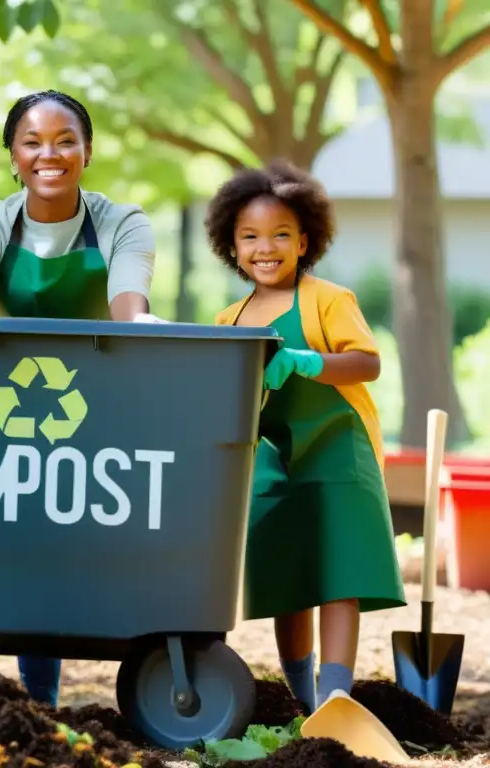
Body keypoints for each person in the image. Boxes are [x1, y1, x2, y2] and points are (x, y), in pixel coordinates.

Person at [0, 90, 158, 707]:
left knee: (75, 536)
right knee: (26, 533)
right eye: (32, 141)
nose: (48, 154)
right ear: (12, 155)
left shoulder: (121, 222)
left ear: (87, 151)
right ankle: (36, 697)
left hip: (97, 395)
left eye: (64, 141)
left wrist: (139, 323)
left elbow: (129, 297)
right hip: (2, 397)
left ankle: (110, 675)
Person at [208, 160, 405, 713]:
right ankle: (303, 700)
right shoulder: (230, 318)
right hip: (271, 455)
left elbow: (366, 363)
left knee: (337, 570)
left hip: (337, 446)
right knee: (290, 575)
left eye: (279, 235)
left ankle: (335, 693)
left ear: (304, 241)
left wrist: (303, 361)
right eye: (249, 237)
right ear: (231, 245)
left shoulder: (328, 299)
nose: (263, 247)